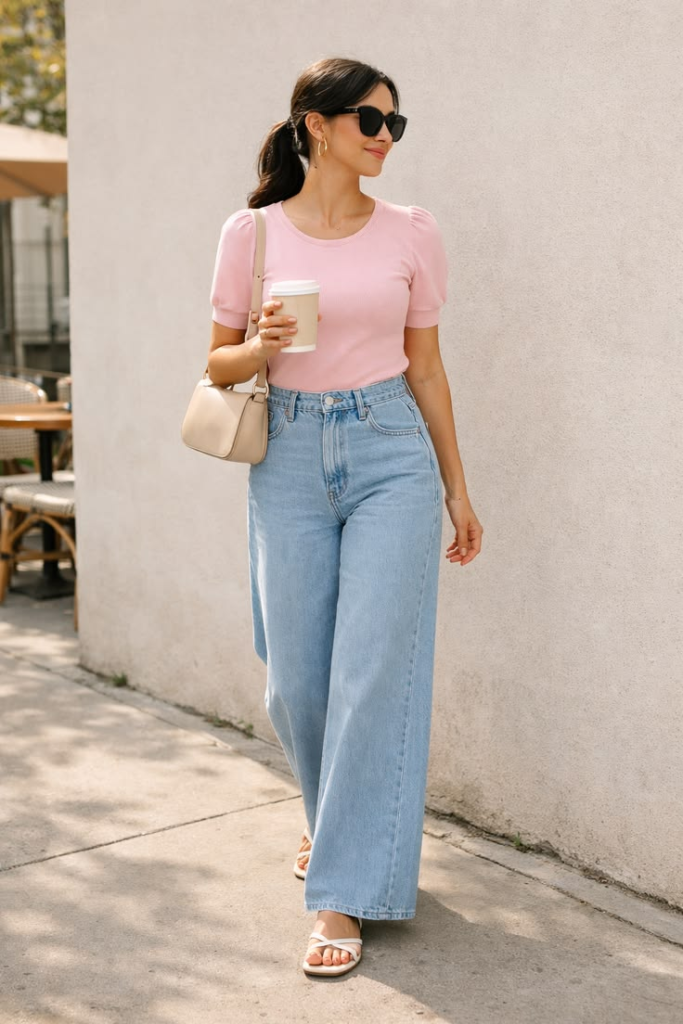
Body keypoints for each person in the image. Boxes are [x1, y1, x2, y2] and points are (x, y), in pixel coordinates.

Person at [206, 56, 483, 977]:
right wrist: (261, 344)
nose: (384, 137)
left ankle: (342, 893)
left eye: (395, 124)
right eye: (369, 120)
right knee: (295, 680)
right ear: (315, 125)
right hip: (285, 452)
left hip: (389, 453)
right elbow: (216, 368)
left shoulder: (412, 232)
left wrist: (454, 484)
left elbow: (427, 368)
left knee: (372, 673)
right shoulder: (249, 235)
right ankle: (330, 829)